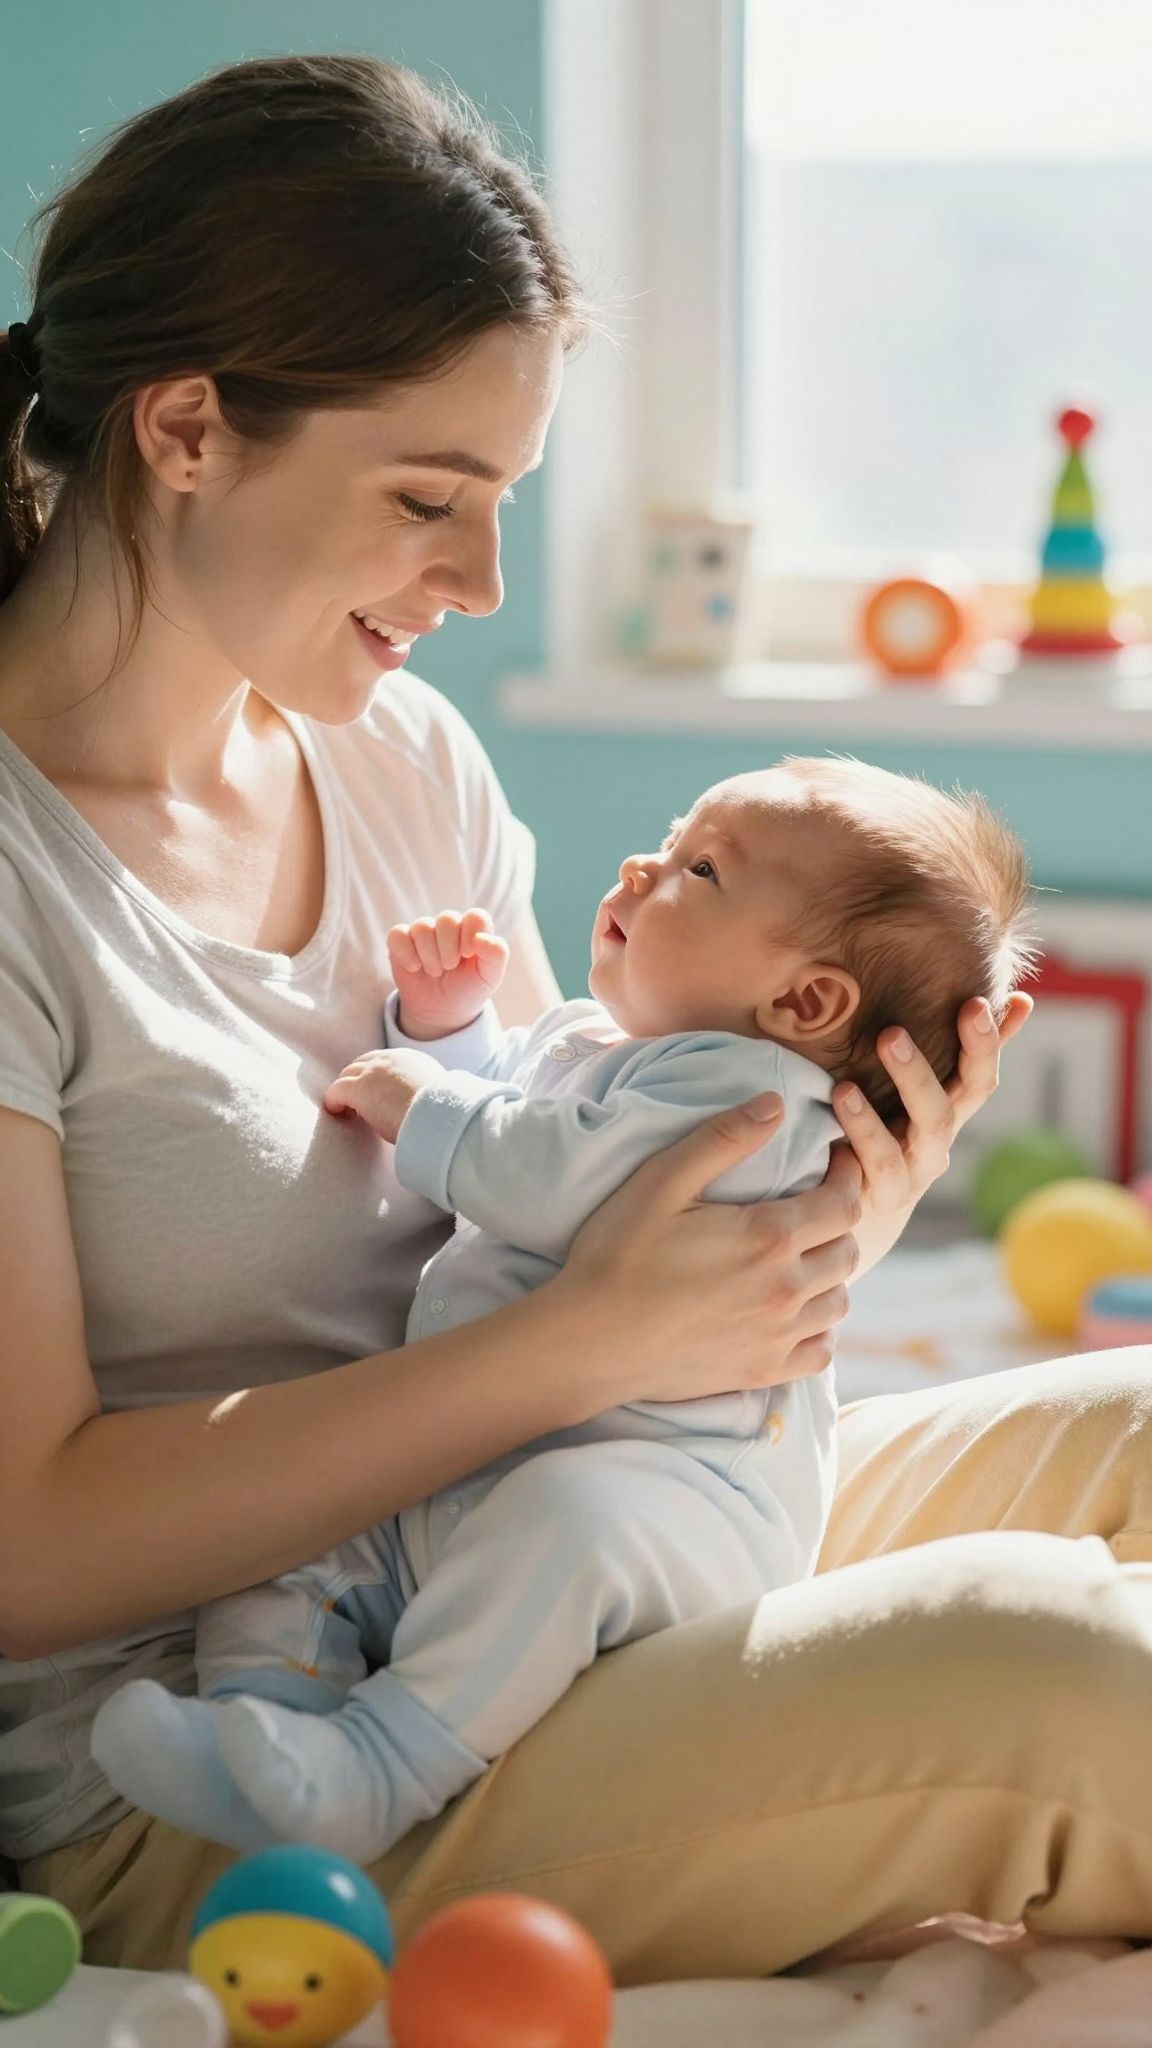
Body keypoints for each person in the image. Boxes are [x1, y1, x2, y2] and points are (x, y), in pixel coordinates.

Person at [1, 49, 1150, 1980]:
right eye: (431, 499)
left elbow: (574, 1205)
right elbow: (24, 1542)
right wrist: (592, 1339)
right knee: (1073, 1682)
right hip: (244, 1739)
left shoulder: (398, 761)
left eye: (504, 499)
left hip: (549, 1528)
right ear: (186, 426)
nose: (480, 579)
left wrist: (815, 1216)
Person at [89, 758, 1035, 1866]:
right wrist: (450, 1031)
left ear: (805, 1002)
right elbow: (525, 1099)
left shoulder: (749, 1094)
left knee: (567, 1525)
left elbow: (553, 1173)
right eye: (672, 829)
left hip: (671, 1508)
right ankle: (266, 1728)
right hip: (480, 1468)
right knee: (282, 1544)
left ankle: (378, 1766)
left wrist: (419, 1101)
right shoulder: (609, 1045)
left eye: (701, 867)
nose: (645, 862)